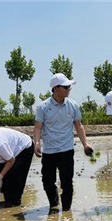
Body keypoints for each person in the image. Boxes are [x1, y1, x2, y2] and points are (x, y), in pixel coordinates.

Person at [34, 73, 93, 212]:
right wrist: (37, 143)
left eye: (69, 87)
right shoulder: (43, 107)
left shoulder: (73, 105)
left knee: (67, 182)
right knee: (47, 181)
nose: (69, 89)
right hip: (49, 151)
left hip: (67, 150)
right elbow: (37, 127)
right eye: (66, 86)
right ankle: (54, 205)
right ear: (56, 88)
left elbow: (78, 125)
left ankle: (67, 210)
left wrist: (85, 144)